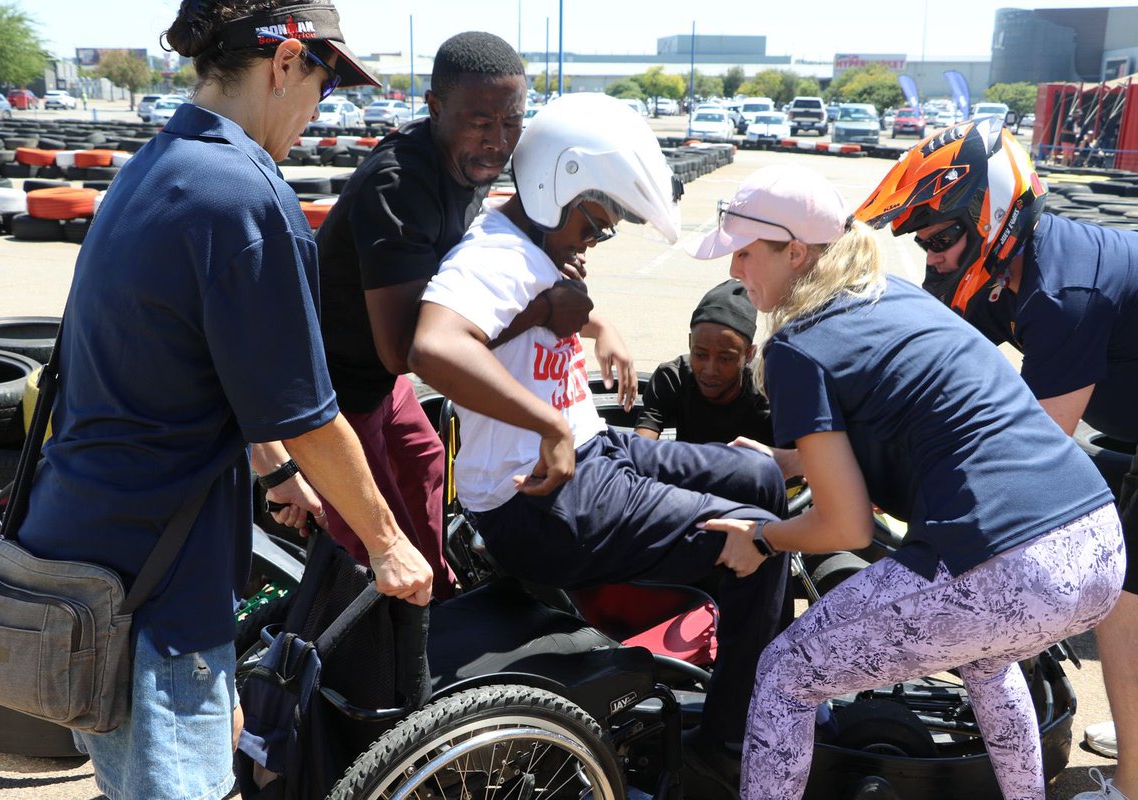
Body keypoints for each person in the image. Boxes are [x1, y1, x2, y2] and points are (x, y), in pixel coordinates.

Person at [16, 3, 432, 799]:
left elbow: (199, 364)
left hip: (80, 566)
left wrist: (274, 471)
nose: (321, 110)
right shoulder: (245, 193)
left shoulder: (153, 165)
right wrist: (388, 543)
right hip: (158, 597)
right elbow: (307, 412)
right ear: (284, 65)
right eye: (325, 81)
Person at [689, 162, 1124, 800]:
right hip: (1096, 546)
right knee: (985, 657)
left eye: (746, 253)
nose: (733, 270)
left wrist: (762, 537)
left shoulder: (796, 347)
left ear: (798, 252)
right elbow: (923, 417)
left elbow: (846, 526)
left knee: (785, 671)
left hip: (1010, 565)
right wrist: (794, 460)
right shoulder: (892, 293)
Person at [409, 94, 791, 800]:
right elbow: (432, 346)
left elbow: (536, 315)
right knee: (762, 543)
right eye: (594, 222)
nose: (593, 240)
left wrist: (598, 325)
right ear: (559, 182)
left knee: (762, 480)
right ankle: (728, 747)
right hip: (546, 503)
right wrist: (550, 426)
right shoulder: (493, 255)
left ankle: (743, 671)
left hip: (597, 457)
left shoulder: (533, 249)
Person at [859, 117, 1138, 800]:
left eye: (945, 238)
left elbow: (1030, 465)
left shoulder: (1061, 295)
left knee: (1121, 604)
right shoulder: (999, 268)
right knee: (1125, 605)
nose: (936, 257)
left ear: (997, 216)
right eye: (924, 242)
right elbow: (921, 361)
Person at [311, 31, 590, 600]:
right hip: (329, 389)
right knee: (375, 538)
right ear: (435, 108)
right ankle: (386, 650)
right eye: (480, 122)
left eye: (511, 123)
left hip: (378, 380)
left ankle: (438, 595)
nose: (497, 142)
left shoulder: (465, 168)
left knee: (427, 459)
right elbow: (408, 347)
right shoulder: (399, 185)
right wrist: (543, 310)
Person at [635, 279, 773, 445]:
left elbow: (801, 461)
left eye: (725, 359)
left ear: (749, 354)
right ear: (690, 343)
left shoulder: (769, 390)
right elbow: (640, 448)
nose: (710, 369)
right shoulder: (673, 378)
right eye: (700, 355)